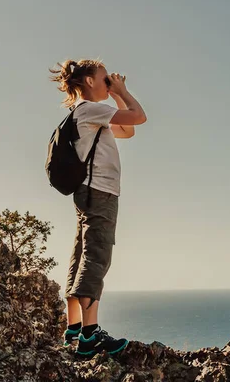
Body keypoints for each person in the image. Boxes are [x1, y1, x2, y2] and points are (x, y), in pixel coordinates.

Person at [48, 58, 147, 358]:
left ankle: (74, 328)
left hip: (89, 193)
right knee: (97, 256)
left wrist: (114, 94)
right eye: (105, 79)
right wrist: (123, 90)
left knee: (81, 254)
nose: (108, 82)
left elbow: (128, 131)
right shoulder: (90, 109)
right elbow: (139, 117)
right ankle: (90, 337)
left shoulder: (89, 115)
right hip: (99, 192)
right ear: (89, 81)